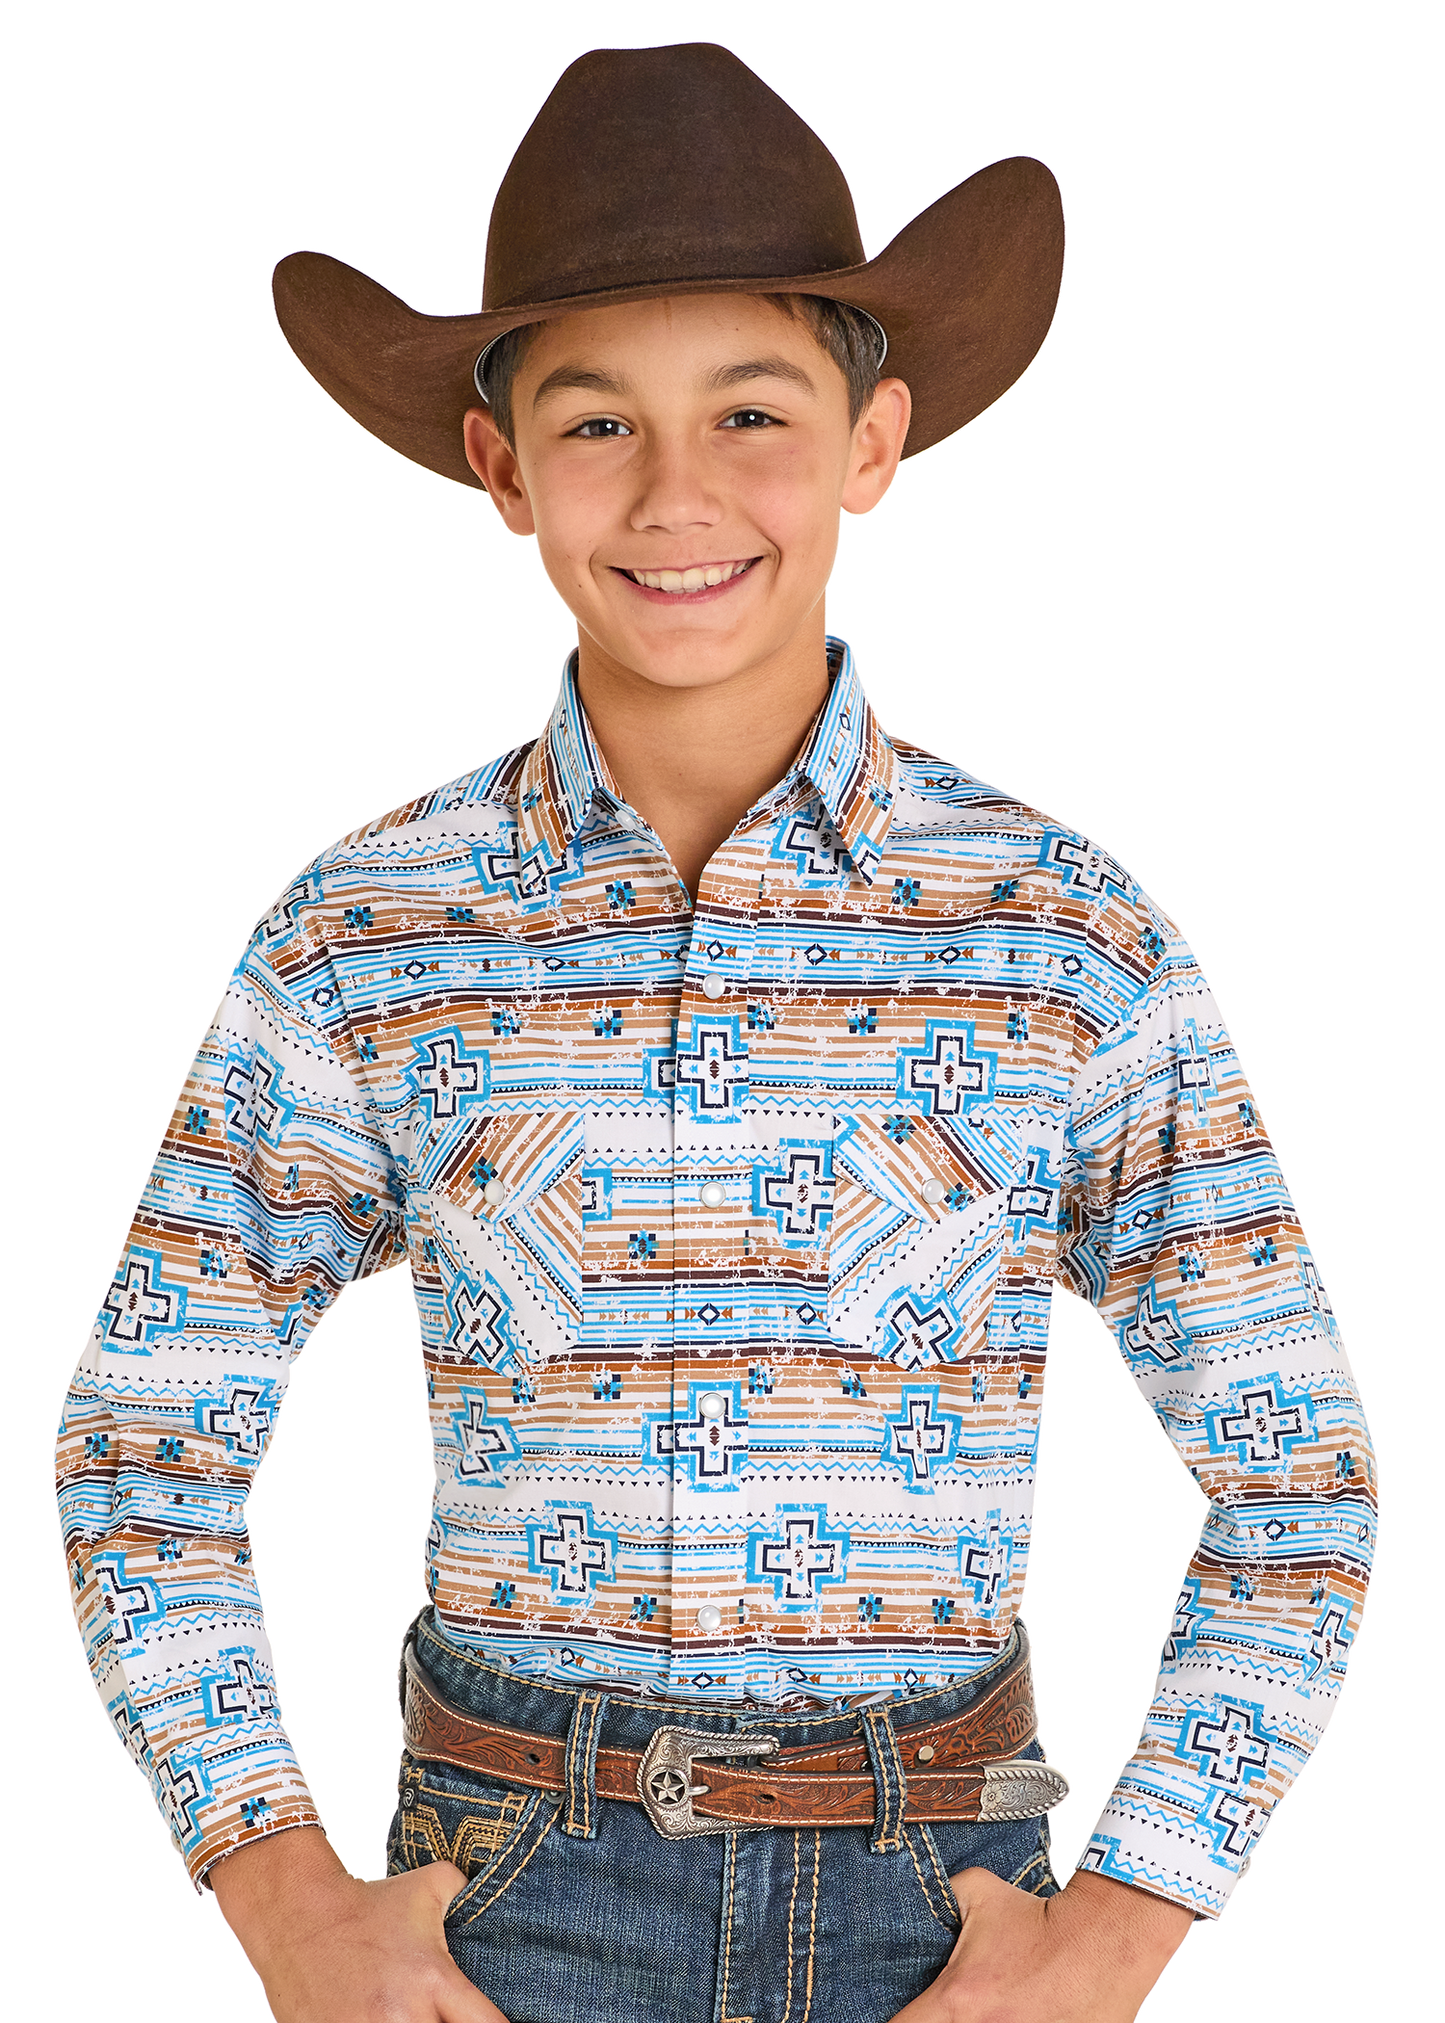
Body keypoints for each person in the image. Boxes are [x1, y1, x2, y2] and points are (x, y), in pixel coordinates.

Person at [53, 39, 1379, 2023]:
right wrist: (267, 1879)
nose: (676, 496)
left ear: (870, 444)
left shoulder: (1061, 936)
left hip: (946, 1907)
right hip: (502, 1900)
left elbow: (1294, 1478)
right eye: (595, 425)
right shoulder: (366, 932)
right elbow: (142, 1438)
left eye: (748, 412)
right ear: (499, 469)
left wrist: (1122, 1927)